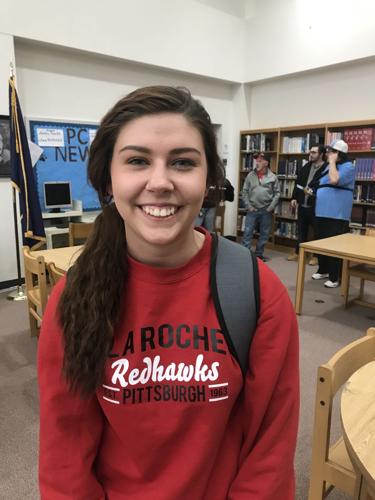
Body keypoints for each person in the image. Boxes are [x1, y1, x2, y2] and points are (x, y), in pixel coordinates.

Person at [38, 86, 299, 500]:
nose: (159, 182)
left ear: (209, 178)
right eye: (138, 161)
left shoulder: (256, 291)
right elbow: (64, 454)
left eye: (182, 162)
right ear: (109, 177)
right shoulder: (73, 298)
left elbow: (269, 449)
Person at [311, 139, 355, 288]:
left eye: (331, 151)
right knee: (321, 243)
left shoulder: (348, 167)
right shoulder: (330, 167)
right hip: (321, 212)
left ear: (339, 154)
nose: (328, 153)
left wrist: (331, 162)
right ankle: (323, 269)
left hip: (336, 214)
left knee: (335, 246)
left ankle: (335, 277)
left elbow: (334, 180)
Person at [287, 145, 327, 263]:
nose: (311, 154)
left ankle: (316, 256)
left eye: (314, 152)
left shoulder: (326, 169)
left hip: (316, 206)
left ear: (321, 154)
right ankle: (298, 253)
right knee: (301, 231)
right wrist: (294, 197)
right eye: (310, 152)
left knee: (318, 232)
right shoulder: (306, 167)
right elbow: (298, 183)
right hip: (302, 205)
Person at [241, 152, 280, 261]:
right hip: (252, 209)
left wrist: (271, 207)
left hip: (266, 210)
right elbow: (244, 192)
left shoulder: (273, 177)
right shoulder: (250, 175)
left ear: (266, 163)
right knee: (247, 232)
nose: (257, 162)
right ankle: (245, 255)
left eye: (260, 160)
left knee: (264, 234)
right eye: (256, 160)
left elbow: (277, 193)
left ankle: (258, 254)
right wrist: (248, 206)